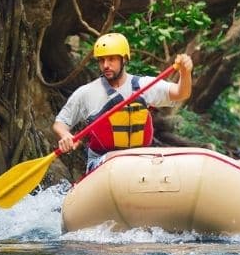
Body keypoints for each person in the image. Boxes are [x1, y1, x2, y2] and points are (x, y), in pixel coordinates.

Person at [53, 33, 193, 171]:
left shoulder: (144, 85)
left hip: (140, 158)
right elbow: (60, 123)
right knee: (119, 165)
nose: (105, 65)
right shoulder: (86, 93)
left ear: (124, 59)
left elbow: (181, 93)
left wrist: (185, 73)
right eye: (101, 60)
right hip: (103, 162)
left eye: (111, 59)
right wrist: (65, 135)